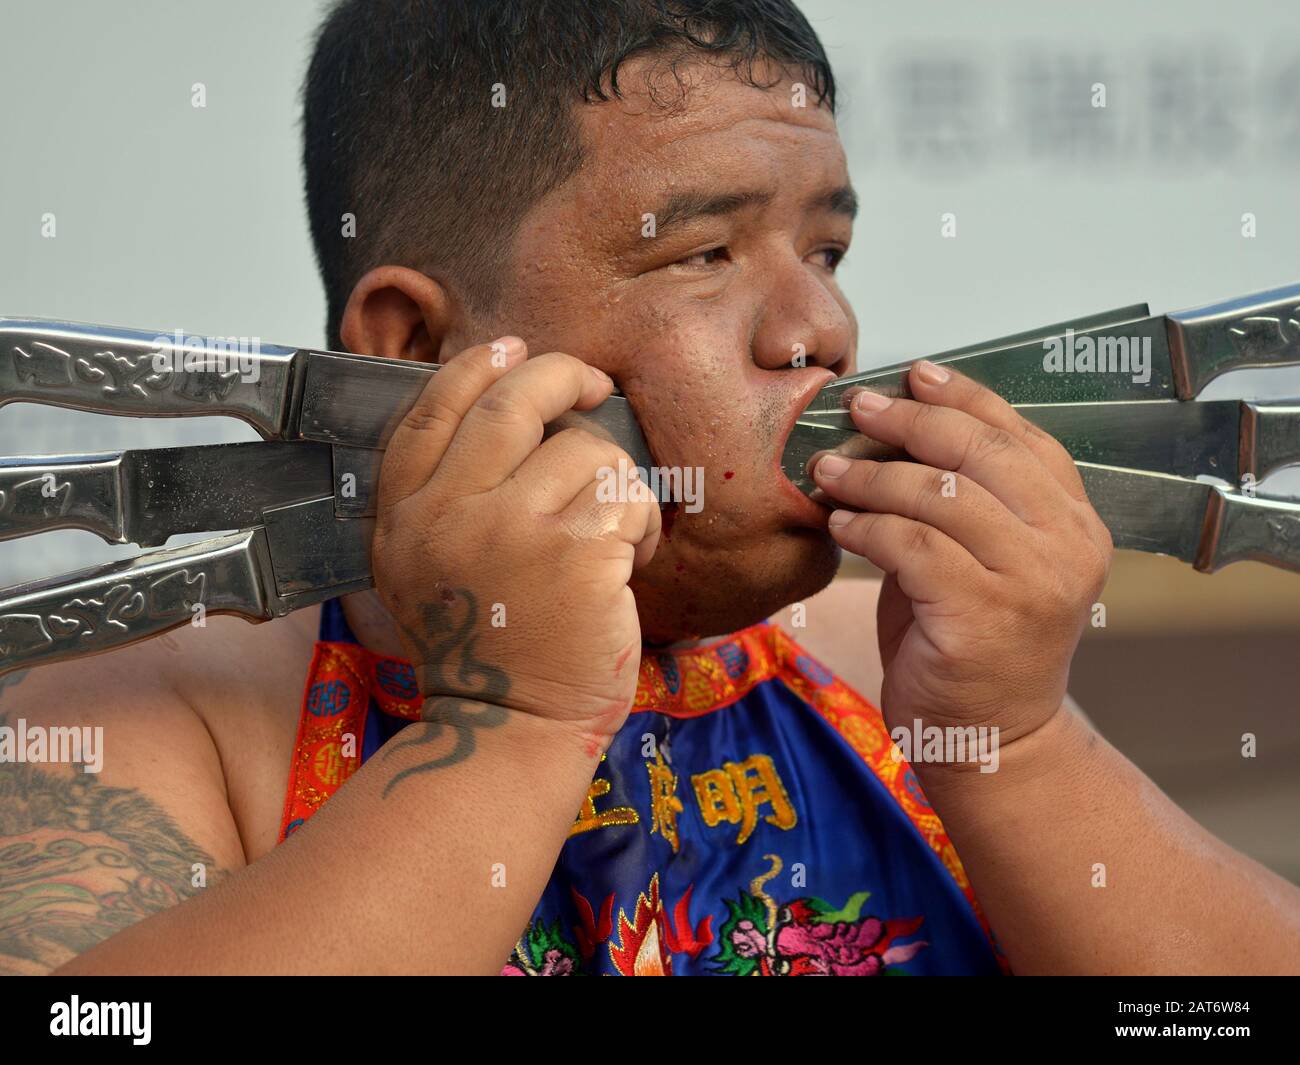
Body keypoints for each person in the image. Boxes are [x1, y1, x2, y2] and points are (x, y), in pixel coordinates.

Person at [2, 0, 1297, 976]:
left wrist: (1020, 749)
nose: (821, 326)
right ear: (409, 348)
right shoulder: (153, 715)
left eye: (828, 246)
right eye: (707, 251)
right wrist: (511, 722)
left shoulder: (904, 676)